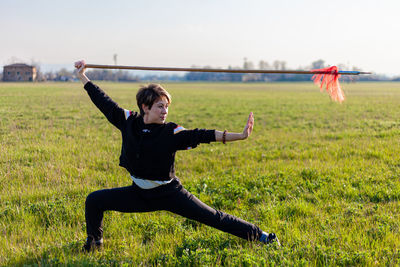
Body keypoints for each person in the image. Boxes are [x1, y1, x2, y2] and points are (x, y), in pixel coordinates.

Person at [74, 60, 280, 252]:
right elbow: (103, 101)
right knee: (94, 200)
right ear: (145, 107)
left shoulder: (171, 132)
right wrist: (83, 76)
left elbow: (203, 135)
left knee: (214, 217)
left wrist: (240, 136)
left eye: (167, 107)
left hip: (170, 194)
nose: (165, 111)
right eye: (160, 106)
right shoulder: (128, 121)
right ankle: (94, 242)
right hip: (138, 194)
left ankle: (263, 237)